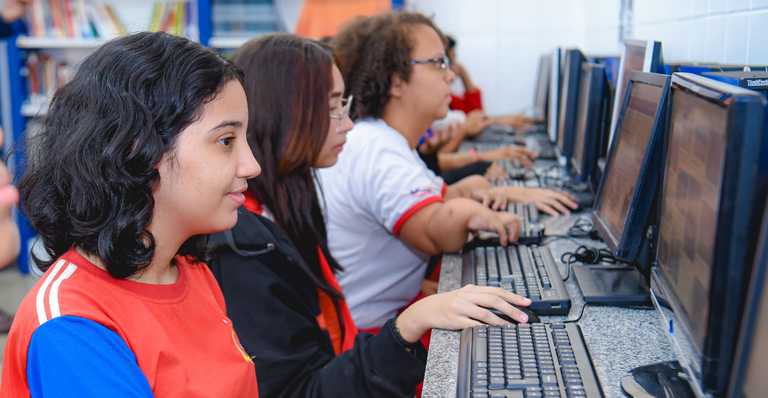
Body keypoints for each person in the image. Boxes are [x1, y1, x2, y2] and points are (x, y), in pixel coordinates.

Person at [209, 33, 532, 398]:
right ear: (286, 113)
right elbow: (299, 387)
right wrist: (410, 323)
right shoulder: (246, 247)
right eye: (333, 107)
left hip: (345, 358)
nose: (346, 123)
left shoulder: (290, 200)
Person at [1, 32, 261, 397]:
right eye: (226, 141)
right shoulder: (71, 325)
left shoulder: (190, 271)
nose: (251, 166)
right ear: (139, 147)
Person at [322, 12, 577, 334]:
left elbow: (434, 198)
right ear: (395, 81)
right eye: (437, 63)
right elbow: (433, 233)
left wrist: (479, 193)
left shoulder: (384, 140)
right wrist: (466, 209)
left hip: (372, 317)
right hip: (361, 340)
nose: (451, 75)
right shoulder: (379, 150)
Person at [446, 35, 535, 129]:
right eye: (451, 62)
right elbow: (467, 124)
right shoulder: (439, 100)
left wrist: (463, 74)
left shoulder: (449, 98)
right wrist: (499, 121)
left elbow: (473, 114)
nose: (455, 67)